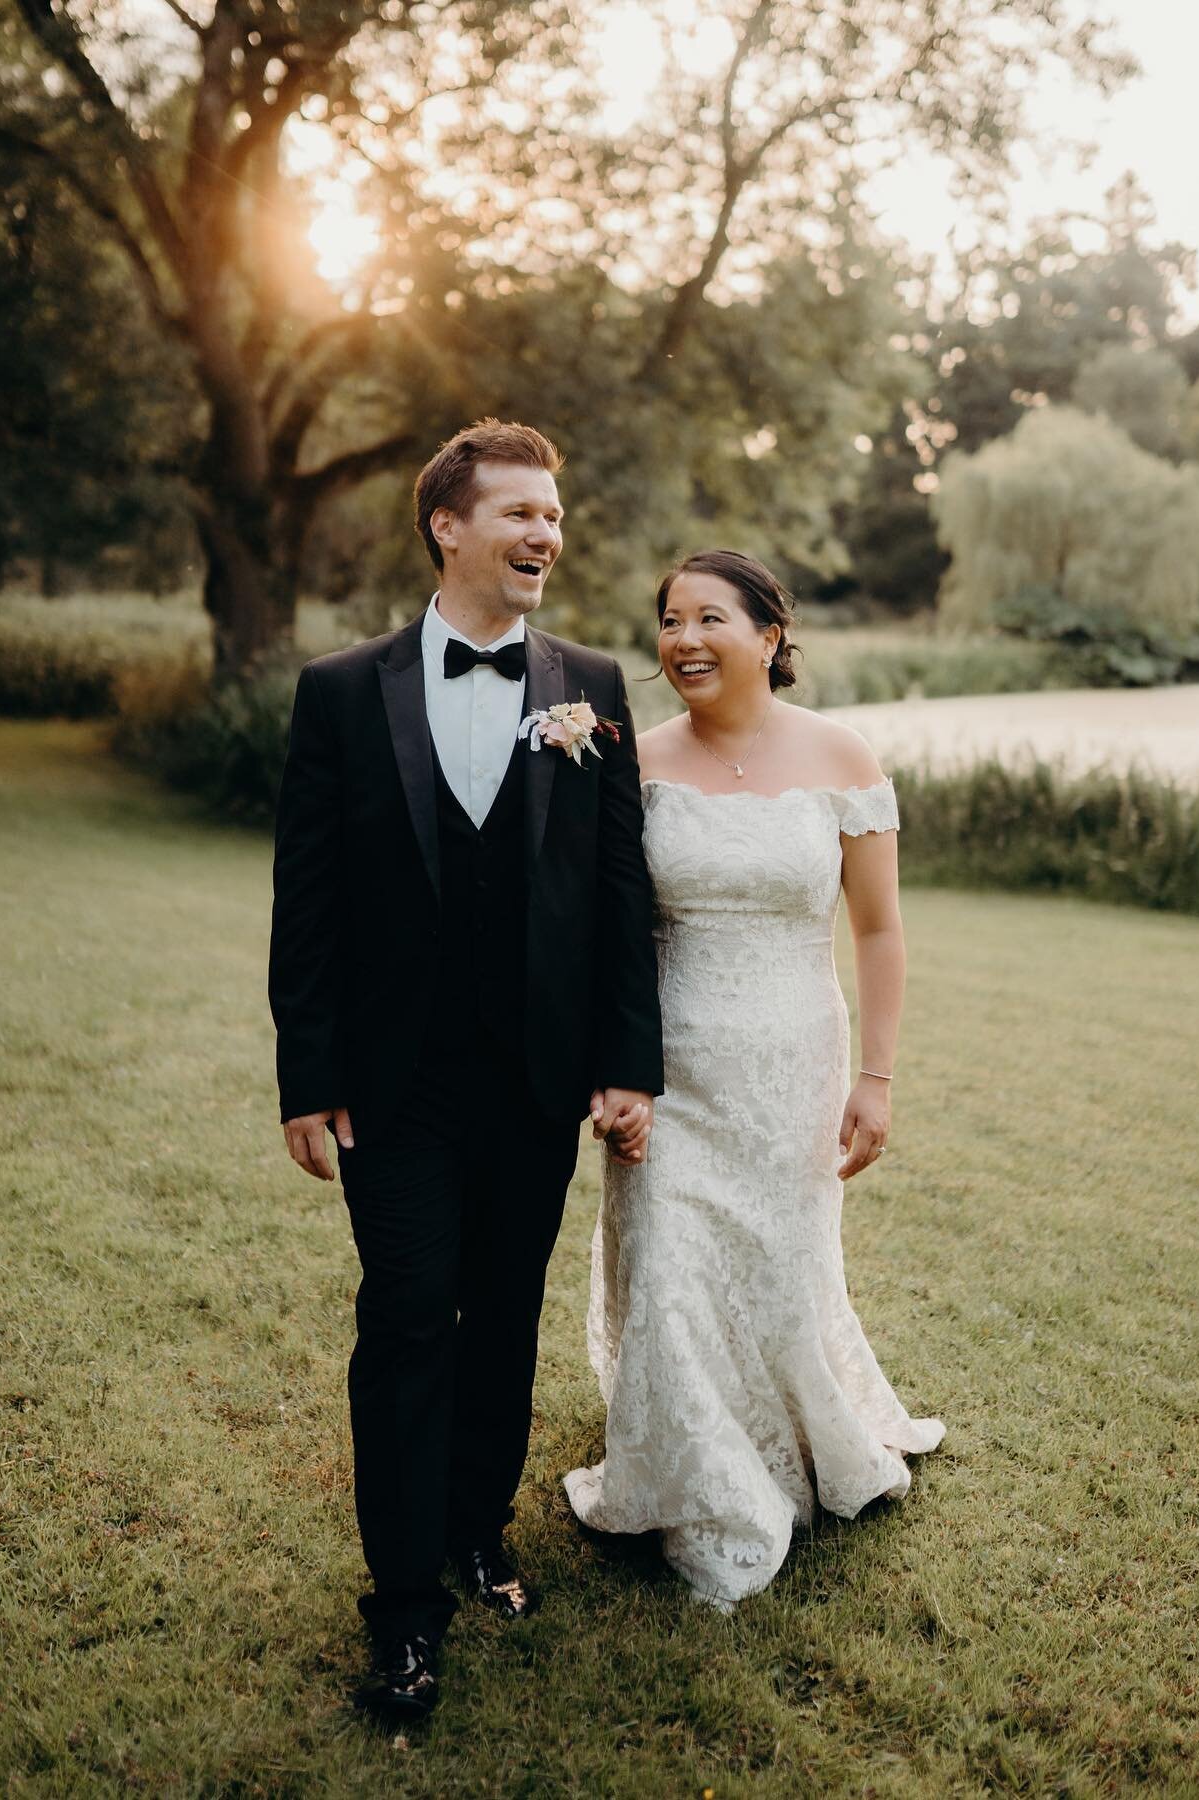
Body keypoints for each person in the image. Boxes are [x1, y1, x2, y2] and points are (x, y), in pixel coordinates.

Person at [269, 420, 662, 1723]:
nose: (546, 534)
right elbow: (309, 899)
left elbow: (617, 897)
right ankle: (402, 1609)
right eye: (521, 514)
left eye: (554, 515)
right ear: (449, 526)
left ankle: (480, 1528)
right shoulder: (340, 691)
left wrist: (625, 1067)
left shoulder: (592, 686)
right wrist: (306, 1072)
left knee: (503, 1315)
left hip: (539, 1080)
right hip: (396, 1085)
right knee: (406, 1319)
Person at [564, 549, 945, 1610]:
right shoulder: (632, 762)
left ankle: (802, 1434)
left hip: (794, 1059)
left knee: (781, 1274)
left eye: (709, 618)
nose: (683, 639)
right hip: (669, 1063)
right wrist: (614, 1072)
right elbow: (609, 937)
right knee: (672, 1271)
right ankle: (706, 1489)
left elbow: (878, 928)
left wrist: (876, 1076)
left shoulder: (839, 754)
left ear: (769, 636)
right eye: (669, 619)